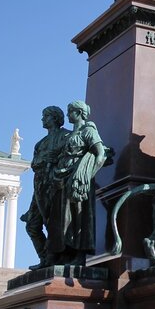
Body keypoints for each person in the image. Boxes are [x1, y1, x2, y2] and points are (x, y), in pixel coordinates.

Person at [46, 101, 114, 266]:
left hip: (78, 181)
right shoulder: (68, 135)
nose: (68, 115)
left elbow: (100, 154)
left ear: (79, 113)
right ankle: (64, 253)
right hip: (62, 179)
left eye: (70, 112)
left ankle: (79, 254)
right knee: (63, 218)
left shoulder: (88, 131)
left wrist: (87, 174)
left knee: (79, 217)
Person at [20, 106, 69, 269]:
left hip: (55, 184)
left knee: (52, 224)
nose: (42, 119)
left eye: (45, 116)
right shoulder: (40, 143)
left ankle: (52, 259)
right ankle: (45, 259)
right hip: (39, 186)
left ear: (55, 118)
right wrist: (42, 161)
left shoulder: (66, 136)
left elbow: (70, 157)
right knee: (32, 225)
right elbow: (34, 163)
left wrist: (55, 160)